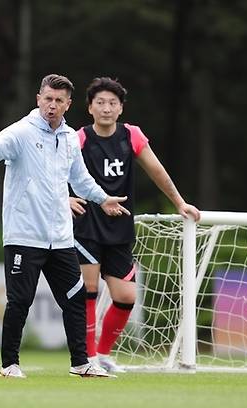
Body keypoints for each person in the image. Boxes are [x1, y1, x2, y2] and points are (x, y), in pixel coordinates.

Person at [0, 74, 129, 379]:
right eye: (47, 99)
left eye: (58, 101)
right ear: (38, 99)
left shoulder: (68, 138)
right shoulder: (22, 133)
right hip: (24, 236)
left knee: (75, 299)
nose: (52, 106)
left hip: (60, 238)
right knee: (20, 301)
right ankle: (9, 365)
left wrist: (103, 199)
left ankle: (81, 363)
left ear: (68, 104)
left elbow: (80, 179)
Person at [69, 77, 201, 373]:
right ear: (89, 107)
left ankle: (103, 354)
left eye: (112, 103)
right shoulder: (78, 138)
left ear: (121, 108)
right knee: (88, 291)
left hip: (119, 227)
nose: (106, 108)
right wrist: (65, 198)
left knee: (126, 296)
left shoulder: (132, 136)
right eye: (100, 102)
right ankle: (86, 359)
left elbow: (156, 170)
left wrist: (179, 202)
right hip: (86, 225)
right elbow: (54, 169)